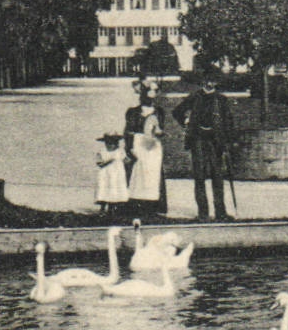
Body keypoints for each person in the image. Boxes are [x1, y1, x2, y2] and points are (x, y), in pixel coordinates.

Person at [173, 70, 235, 222]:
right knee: (200, 176)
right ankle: (203, 213)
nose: (209, 83)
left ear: (216, 82)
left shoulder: (221, 99)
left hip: (215, 141)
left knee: (217, 176)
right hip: (198, 139)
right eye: (207, 80)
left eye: (213, 80)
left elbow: (228, 121)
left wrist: (228, 141)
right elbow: (177, 111)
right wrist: (186, 122)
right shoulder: (195, 97)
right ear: (203, 81)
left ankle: (220, 213)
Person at [124, 84, 167, 215]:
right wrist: (129, 148)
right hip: (138, 144)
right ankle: (135, 204)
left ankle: (153, 205)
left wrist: (159, 132)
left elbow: (160, 128)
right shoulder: (133, 112)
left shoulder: (159, 112)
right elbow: (128, 131)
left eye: (153, 94)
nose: (149, 99)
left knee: (153, 174)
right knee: (138, 174)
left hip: (153, 146)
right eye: (146, 95)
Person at [95, 133, 130, 215]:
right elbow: (99, 163)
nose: (111, 145)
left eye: (114, 143)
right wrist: (109, 161)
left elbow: (126, 160)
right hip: (105, 174)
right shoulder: (101, 151)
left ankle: (111, 208)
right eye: (109, 143)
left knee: (114, 189)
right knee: (104, 189)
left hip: (117, 175)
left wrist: (130, 158)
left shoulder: (120, 151)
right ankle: (102, 208)